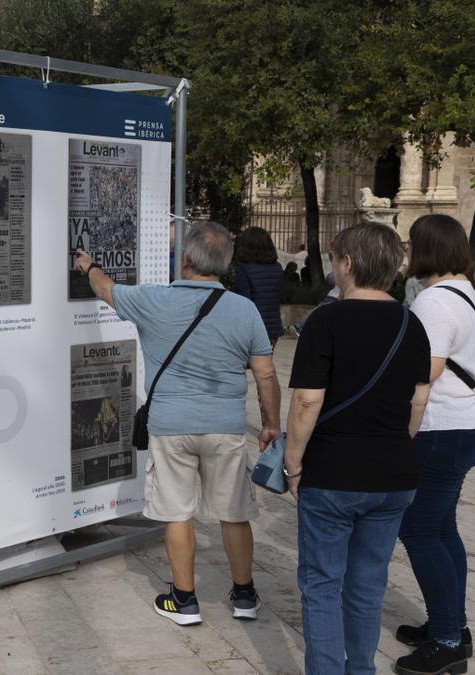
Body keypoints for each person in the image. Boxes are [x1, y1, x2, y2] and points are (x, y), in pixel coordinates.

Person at [73, 221, 282, 627]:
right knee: (234, 512)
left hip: (171, 425)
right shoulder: (245, 310)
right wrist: (271, 423)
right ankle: (244, 595)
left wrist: (89, 264)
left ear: (185, 259)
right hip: (225, 425)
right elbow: (266, 375)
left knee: (177, 513)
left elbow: (105, 288)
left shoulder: (154, 299)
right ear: (225, 265)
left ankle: (184, 600)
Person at [282, 223, 432, 675]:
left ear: (346, 263)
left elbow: (307, 400)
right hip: (393, 474)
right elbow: (419, 400)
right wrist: (393, 445)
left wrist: (292, 465)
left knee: (323, 584)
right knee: (368, 586)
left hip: (333, 473)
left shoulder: (325, 321)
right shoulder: (413, 324)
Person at [393, 215, 475, 675]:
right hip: (470, 424)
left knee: (417, 530)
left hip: (442, 429)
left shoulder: (434, 301)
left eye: (411, 244)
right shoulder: (466, 289)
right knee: (441, 528)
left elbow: (426, 372)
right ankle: (450, 624)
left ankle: (449, 642)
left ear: (426, 248)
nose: (407, 251)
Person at [233, 227, 285, 346]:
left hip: (251, 327)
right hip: (272, 328)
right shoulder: (277, 268)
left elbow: (244, 300)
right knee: (265, 361)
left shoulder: (243, 269)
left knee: (247, 363)